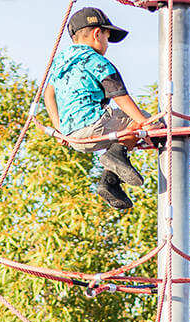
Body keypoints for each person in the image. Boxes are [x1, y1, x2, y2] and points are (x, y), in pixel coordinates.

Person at [42, 6, 153, 211]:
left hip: (74, 135)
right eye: (107, 38)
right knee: (143, 121)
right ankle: (116, 157)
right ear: (97, 34)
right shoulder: (97, 61)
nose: (107, 44)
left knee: (125, 131)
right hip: (94, 123)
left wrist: (60, 130)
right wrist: (149, 124)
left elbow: (48, 94)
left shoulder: (60, 62)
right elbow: (120, 97)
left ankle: (109, 181)